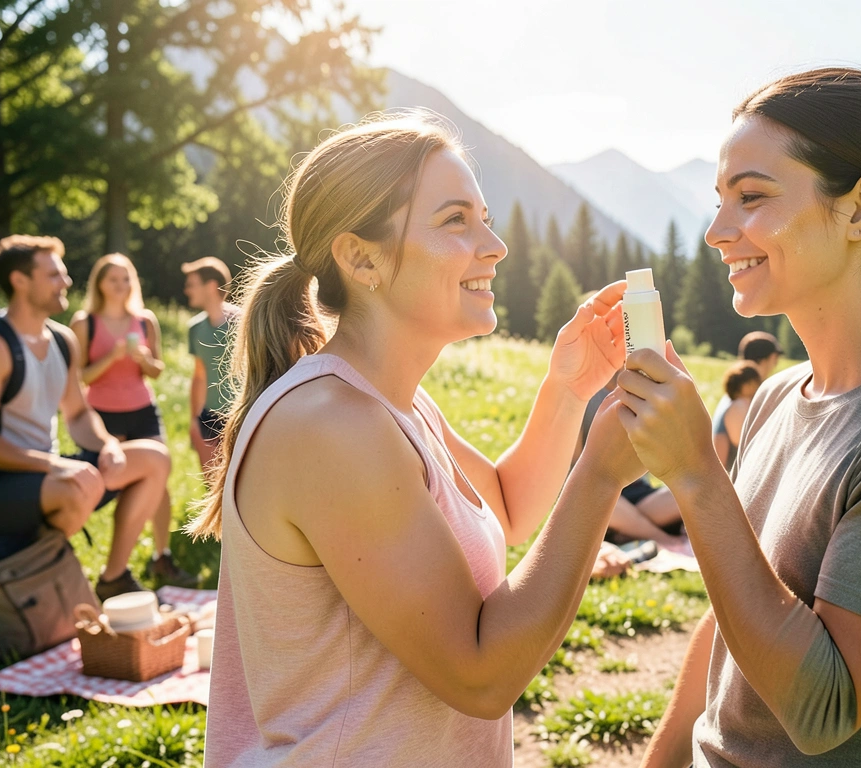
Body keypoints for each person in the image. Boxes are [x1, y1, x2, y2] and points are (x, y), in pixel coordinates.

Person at [192, 113, 645, 765]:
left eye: (484, 216)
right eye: (455, 220)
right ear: (361, 258)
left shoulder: (394, 404)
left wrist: (570, 389)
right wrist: (601, 473)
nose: (494, 245)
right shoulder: (331, 426)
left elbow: (510, 510)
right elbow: (480, 675)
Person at [621, 69, 861, 766]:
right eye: (719, 201)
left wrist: (695, 475)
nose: (716, 232)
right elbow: (734, 614)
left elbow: (823, 712)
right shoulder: (777, 397)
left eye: (752, 198)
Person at [0, 236, 172, 653]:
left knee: (153, 459)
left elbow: (79, 415)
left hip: (45, 476)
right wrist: (56, 467)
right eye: (53, 274)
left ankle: (112, 578)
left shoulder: (63, 340)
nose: (66, 280)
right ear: (20, 281)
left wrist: (106, 446)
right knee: (75, 484)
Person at [71, 253, 195, 588]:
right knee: (114, 482)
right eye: (114, 279)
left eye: (126, 279)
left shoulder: (145, 320)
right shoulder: (85, 323)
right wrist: (112, 358)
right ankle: (113, 563)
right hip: (102, 416)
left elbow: (157, 371)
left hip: (142, 410)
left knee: (159, 475)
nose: (121, 286)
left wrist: (144, 360)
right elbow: (78, 377)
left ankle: (162, 556)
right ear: (99, 283)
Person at [576, 373, 689, 556]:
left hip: (640, 494)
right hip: (599, 489)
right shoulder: (586, 396)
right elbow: (573, 469)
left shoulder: (646, 394)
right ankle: (664, 539)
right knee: (607, 503)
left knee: (690, 491)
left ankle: (626, 531)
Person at [182, 257, 240, 476]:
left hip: (240, 415)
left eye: (191, 284)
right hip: (208, 418)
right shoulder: (195, 328)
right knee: (212, 487)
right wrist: (194, 421)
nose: (186, 290)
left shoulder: (245, 323)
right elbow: (199, 375)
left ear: (211, 286)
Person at [711, 331, 780, 454]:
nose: (776, 365)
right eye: (775, 359)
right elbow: (749, 449)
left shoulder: (734, 394)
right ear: (769, 358)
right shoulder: (740, 403)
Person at [715, 360, 763, 470]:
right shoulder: (740, 405)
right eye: (756, 382)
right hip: (734, 473)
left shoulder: (730, 402)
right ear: (747, 384)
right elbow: (742, 442)